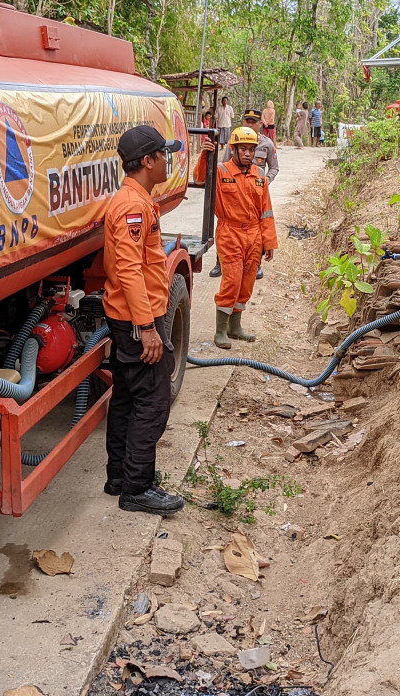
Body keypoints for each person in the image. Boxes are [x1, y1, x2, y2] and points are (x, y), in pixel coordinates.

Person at [101, 124, 187, 516]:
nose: (168, 160)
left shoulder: (135, 200)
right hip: (138, 322)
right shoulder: (132, 207)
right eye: (163, 154)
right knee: (152, 402)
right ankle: (137, 488)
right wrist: (148, 328)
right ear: (148, 161)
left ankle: (120, 477)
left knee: (126, 398)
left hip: (129, 320)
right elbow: (130, 271)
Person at [194, 126, 277, 348]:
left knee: (247, 282)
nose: (248, 154)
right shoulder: (221, 171)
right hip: (230, 232)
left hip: (254, 234)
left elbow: (266, 211)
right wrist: (206, 155)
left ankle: (235, 327)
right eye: (243, 149)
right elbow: (200, 178)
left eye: (251, 149)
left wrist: (269, 242)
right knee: (232, 280)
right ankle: (220, 331)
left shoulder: (259, 175)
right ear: (233, 149)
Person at [208, 109, 278, 278]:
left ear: (260, 124)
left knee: (256, 225)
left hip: (256, 190)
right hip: (233, 189)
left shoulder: (267, 144)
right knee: (228, 224)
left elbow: (274, 167)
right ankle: (220, 262)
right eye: (247, 121)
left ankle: (256, 264)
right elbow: (223, 165)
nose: (250, 124)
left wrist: (264, 181)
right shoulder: (235, 140)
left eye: (253, 122)